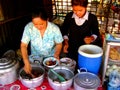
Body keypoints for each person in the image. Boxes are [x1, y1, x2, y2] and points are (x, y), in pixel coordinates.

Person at [20, 8, 63, 74]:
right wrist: (26, 62)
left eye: (41, 24)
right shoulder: (29, 28)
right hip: (35, 58)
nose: (39, 27)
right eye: (35, 24)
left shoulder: (54, 29)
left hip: (51, 58)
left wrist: (56, 54)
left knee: (52, 75)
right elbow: (23, 45)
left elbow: (59, 43)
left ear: (47, 20)